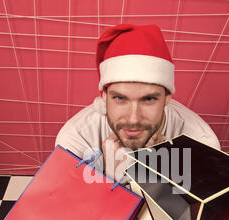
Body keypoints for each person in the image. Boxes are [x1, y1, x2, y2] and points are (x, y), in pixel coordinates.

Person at [55, 24, 220, 182]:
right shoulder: (75, 140)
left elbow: (193, 211)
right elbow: (72, 209)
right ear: (104, 96)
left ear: (168, 97)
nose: (133, 119)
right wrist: (111, 178)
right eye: (120, 98)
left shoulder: (202, 144)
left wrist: (164, 174)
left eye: (148, 99)